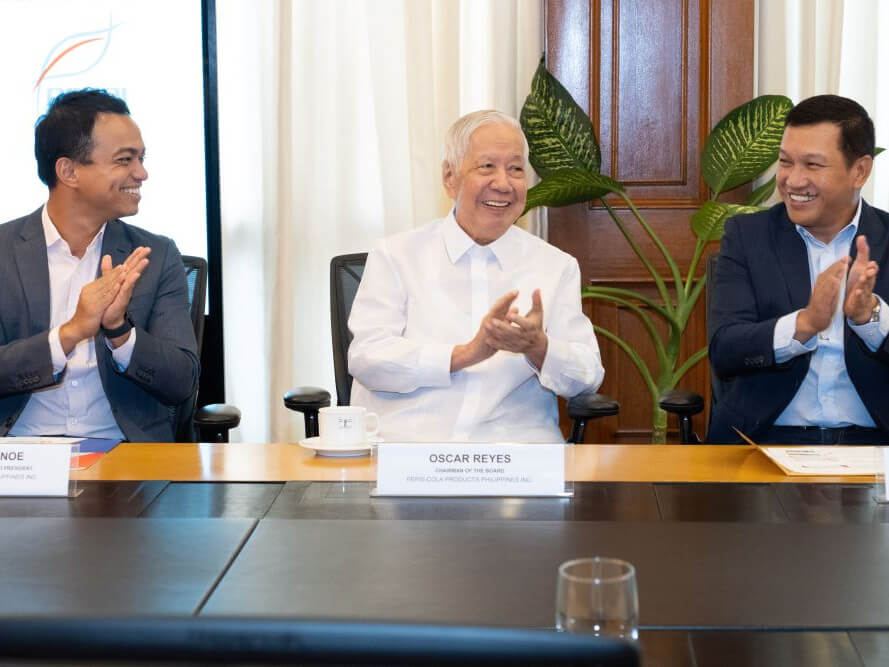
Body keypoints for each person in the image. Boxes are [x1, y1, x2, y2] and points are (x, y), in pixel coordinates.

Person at [348, 110, 604, 442]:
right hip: (413, 450)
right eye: (486, 166)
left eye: (515, 169)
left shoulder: (555, 266)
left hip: (516, 455)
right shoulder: (396, 256)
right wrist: (466, 353)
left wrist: (539, 347)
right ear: (449, 177)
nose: (503, 184)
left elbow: (588, 377)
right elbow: (367, 359)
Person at [0, 89, 199, 442]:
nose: (141, 173)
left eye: (141, 158)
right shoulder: (4, 251)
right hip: (20, 454)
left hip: (124, 450)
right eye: (125, 160)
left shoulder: (155, 255)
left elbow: (182, 382)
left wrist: (119, 330)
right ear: (69, 171)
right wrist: (70, 333)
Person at [708, 94, 889, 444]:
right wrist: (804, 324)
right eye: (786, 162)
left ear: (860, 171)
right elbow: (725, 348)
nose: (793, 181)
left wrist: (871, 318)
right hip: (765, 440)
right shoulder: (748, 236)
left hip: (875, 444)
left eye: (813, 165)